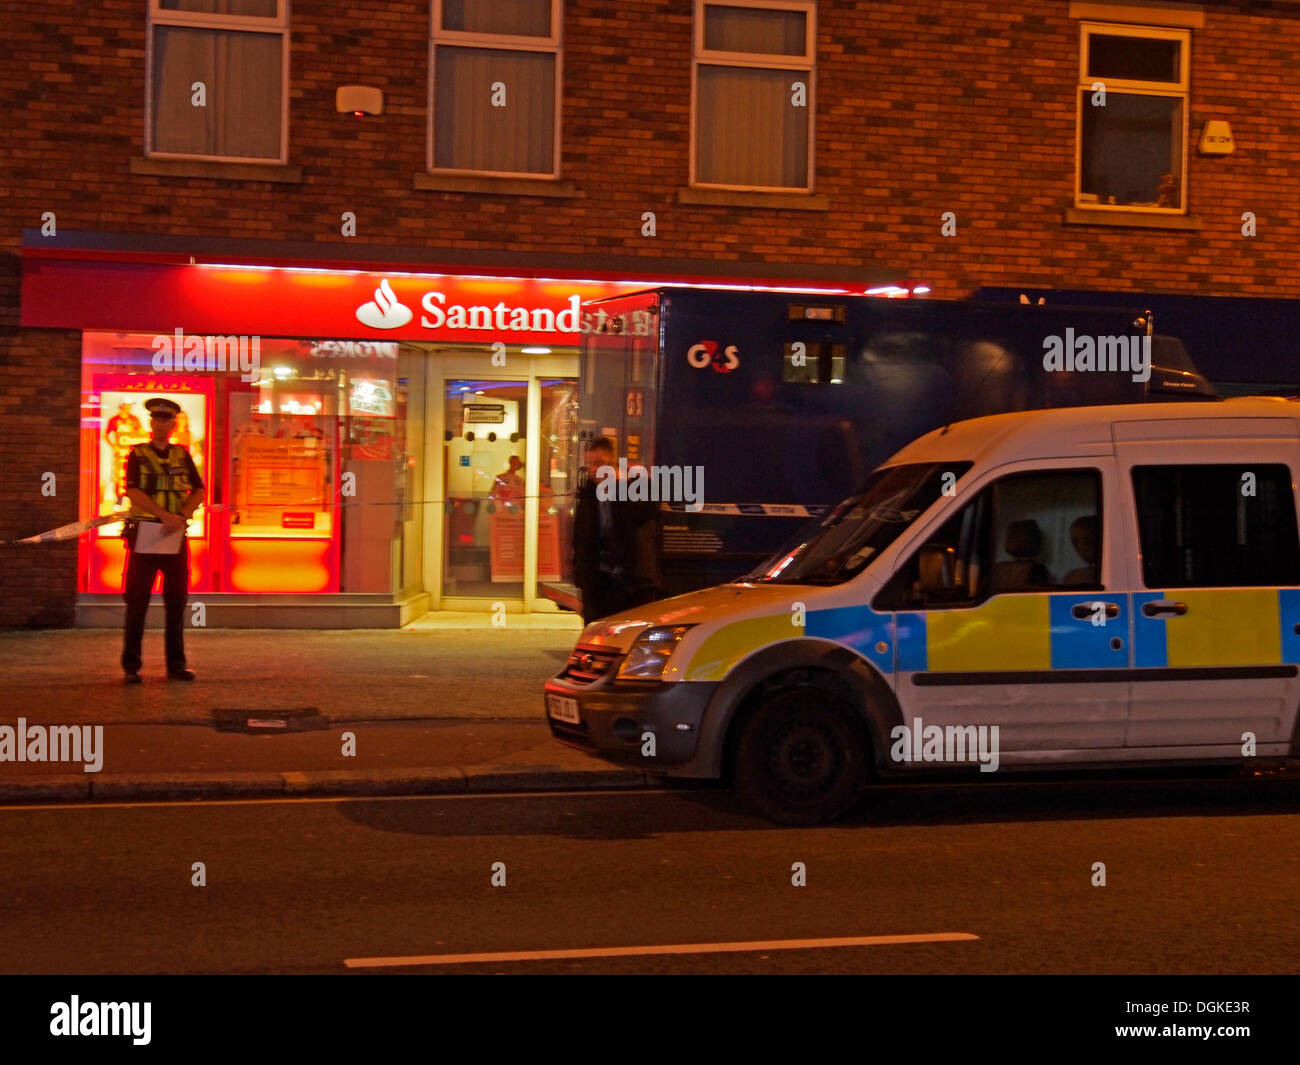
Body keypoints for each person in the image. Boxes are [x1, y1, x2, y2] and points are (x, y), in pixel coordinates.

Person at [120, 398, 205, 683]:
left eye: (165, 420)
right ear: (150, 423)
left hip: (174, 537)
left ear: (173, 424)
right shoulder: (137, 454)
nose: (160, 424)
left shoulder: (182, 456)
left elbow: (199, 491)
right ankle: (132, 667)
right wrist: (163, 515)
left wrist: (180, 515)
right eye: (156, 420)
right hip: (144, 534)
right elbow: (132, 491)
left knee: (177, 602)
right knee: (137, 603)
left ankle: (176, 665)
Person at [571, 436, 659, 623]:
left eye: (600, 463)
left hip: (632, 585)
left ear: (613, 464)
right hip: (599, 585)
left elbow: (647, 511)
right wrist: (582, 581)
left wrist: (625, 485)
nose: (594, 470)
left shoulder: (633, 489)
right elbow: (580, 540)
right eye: (590, 464)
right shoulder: (588, 498)